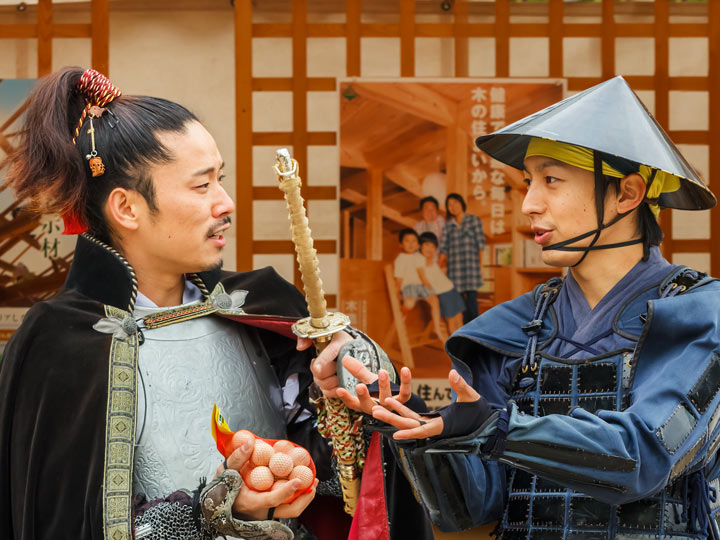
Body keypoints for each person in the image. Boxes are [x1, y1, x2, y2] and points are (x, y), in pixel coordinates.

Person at [314, 76, 720, 539]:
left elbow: (645, 459)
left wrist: (498, 428)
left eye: (551, 180)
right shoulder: (516, 328)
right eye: (529, 182)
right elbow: (471, 506)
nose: (528, 203)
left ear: (626, 194)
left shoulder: (698, 316)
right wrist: (412, 424)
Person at [0, 67, 350, 540]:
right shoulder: (60, 344)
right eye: (202, 185)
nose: (225, 203)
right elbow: (67, 521)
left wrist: (340, 395)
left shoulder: (258, 305)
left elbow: (341, 468)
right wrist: (218, 513)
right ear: (127, 208)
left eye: (220, 180)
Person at [394, 228, 447, 342]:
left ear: (418, 244)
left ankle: (437, 328)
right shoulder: (401, 259)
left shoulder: (419, 257)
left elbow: (424, 273)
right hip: (409, 286)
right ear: (400, 244)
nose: (411, 244)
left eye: (414, 241)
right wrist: (396, 293)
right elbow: (399, 279)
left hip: (421, 286)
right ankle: (401, 316)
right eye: (407, 241)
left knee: (435, 300)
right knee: (409, 304)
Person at [439, 193, 485, 324]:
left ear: (461, 203)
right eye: (449, 205)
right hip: (454, 270)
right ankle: (466, 332)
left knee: (471, 301)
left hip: (471, 269)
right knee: (460, 304)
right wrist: (435, 269)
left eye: (455, 203)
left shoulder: (474, 220)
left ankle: (476, 330)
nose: (452, 207)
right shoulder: (448, 226)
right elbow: (443, 249)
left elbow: (480, 245)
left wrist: (481, 267)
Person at [418, 232, 463, 335]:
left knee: (460, 320)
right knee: (451, 323)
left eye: (433, 246)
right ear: (420, 246)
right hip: (443, 294)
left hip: (452, 290)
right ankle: (455, 347)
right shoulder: (418, 263)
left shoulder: (433, 260)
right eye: (427, 245)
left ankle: (463, 345)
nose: (430, 249)